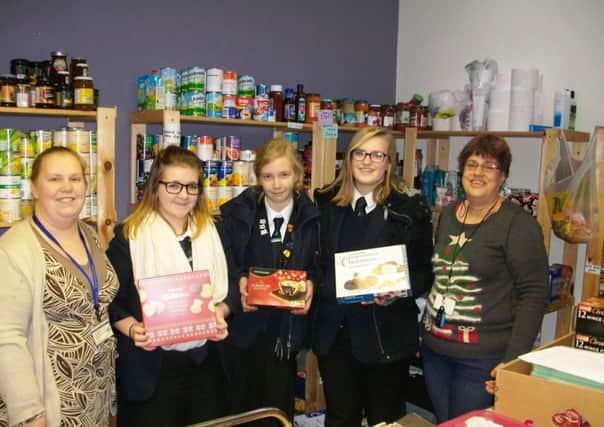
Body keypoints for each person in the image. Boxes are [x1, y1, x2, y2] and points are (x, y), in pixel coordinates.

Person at [421, 134, 549, 422]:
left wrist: (512, 361)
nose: (478, 173)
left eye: (489, 166)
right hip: (435, 350)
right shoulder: (450, 214)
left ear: (502, 176)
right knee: (445, 421)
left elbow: (534, 293)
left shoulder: (517, 224)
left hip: (481, 360)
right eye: (471, 164)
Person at [313, 127, 434, 427]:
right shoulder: (325, 203)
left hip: (385, 335)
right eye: (360, 153)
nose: (367, 161)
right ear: (349, 158)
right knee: (341, 417)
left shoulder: (410, 209)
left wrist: (398, 289)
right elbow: (314, 262)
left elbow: (424, 273)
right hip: (336, 333)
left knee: (386, 419)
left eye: (377, 154)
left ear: (389, 162)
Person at [107, 145, 233, 427]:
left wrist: (221, 312)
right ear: (156, 187)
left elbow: (233, 286)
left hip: (205, 367)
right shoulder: (129, 237)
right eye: (173, 185)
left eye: (191, 186)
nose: (183, 195)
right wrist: (132, 328)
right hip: (150, 370)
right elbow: (110, 301)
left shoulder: (215, 232)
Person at [0, 146, 118, 427]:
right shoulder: (14, 250)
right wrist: (30, 414)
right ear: (35, 188)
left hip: (93, 396)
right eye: (55, 179)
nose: (67, 187)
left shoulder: (89, 235)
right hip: (49, 404)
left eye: (75, 179)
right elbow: (6, 338)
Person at [217, 137, 319, 425]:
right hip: (244, 327)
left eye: (284, 175)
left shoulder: (313, 217)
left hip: (285, 332)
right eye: (268, 176)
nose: (276, 184)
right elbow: (224, 262)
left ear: (297, 175)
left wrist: (311, 284)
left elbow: (318, 266)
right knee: (239, 406)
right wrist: (237, 284)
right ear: (258, 177)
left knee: (277, 408)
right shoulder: (237, 213)